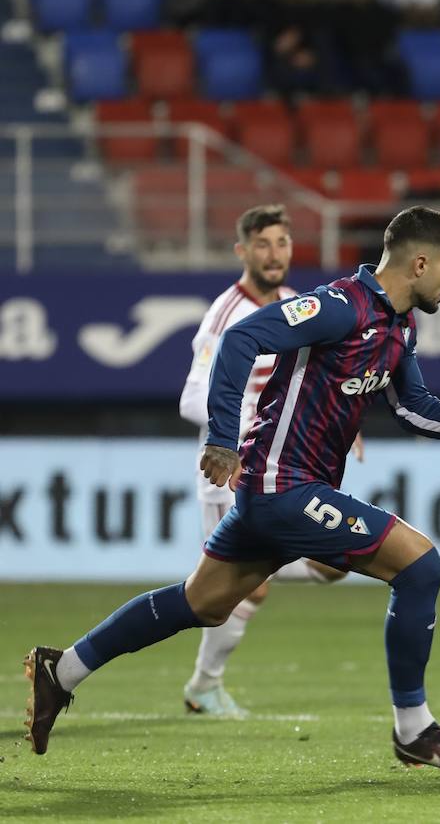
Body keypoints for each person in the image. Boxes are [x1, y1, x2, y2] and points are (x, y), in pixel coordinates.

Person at [25, 207, 440, 771]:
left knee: (203, 603)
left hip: (290, 491)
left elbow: (412, 408)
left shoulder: (401, 326)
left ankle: (60, 670)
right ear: (420, 262)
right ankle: (414, 728)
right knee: (420, 566)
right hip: (281, 486)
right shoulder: (338, 306)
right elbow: (240, 339)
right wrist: (220, 438)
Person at [176, 205, 352, 718]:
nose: (273, 255)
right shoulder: (225, 315)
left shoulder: (297, 305)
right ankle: (203, 687)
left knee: (329, 565)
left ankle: (203, 679)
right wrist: (244, 426)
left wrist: (348, 422)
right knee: (229, 593)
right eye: (262, 245)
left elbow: (316, 380)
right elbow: (192, 398)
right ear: (242, 251)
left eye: (281, 243)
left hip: (281, 467)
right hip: (229, 473)